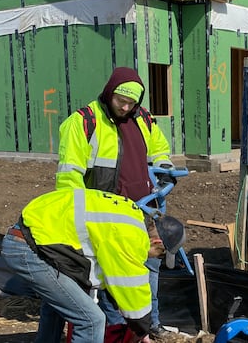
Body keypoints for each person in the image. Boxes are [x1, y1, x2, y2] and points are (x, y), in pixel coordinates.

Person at [56, 67, 175, 339]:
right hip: (105, 217)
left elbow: (159, 147)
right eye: (121, 100)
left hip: (141, 209)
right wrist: (75, 219)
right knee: (111, 275)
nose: (125, 106)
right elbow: (69, 177)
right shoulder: (85, 122)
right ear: (110, 91)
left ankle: (148, 324)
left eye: (132, 102)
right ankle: (117, 330)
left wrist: (164, 167)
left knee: (149, 267)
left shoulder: (142, 118)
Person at [1, 188, 186, 343]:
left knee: (62, 303)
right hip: (28, 248)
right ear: (155, 241)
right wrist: (142, 328)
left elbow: (108, 275)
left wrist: (136, 324)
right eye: (159, 255)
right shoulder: (133, 238)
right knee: (91, 320)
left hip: (32, 237)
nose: (154, 259)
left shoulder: (131, 216)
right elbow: (132, 289)